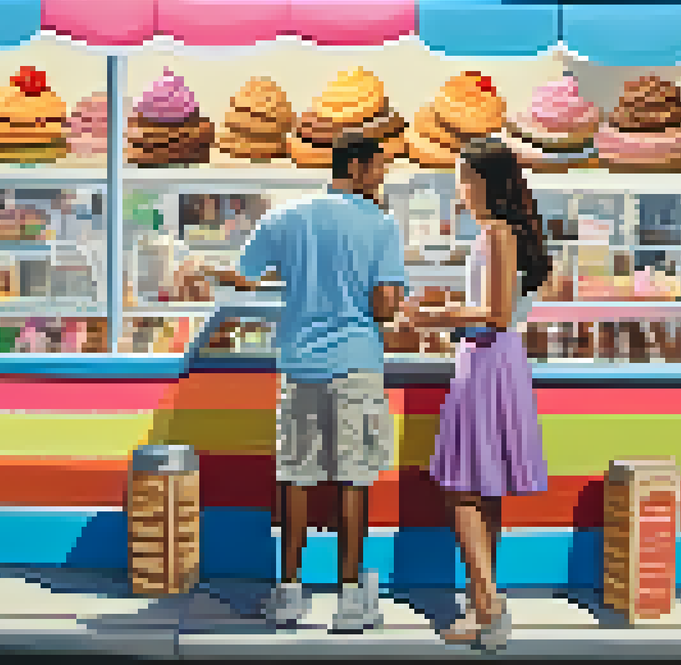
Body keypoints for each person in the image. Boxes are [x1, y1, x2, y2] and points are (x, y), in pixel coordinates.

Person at [211, 131, 406, 632]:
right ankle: (348, 599)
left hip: (298, 363)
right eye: (379, 166)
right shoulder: (381, 224)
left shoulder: (284, 217)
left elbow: (243, 276)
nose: (383, 175)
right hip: (356, 362)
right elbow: (384, 307)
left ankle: (289, 591)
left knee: (295, 477)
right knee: (353, 479)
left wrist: (200, 272)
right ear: (359, 168)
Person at [399, 138, 552, 650]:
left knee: (462, 488)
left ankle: (487, 606)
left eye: (463, 179)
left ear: (486, 181)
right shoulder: (509, 234)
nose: (460, 191)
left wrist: (433, 314)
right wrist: (451, 318)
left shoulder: (494, 234)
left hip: (486, 361)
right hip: (500, 360)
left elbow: (494, 313)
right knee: (485, 488)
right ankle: (483, 599)